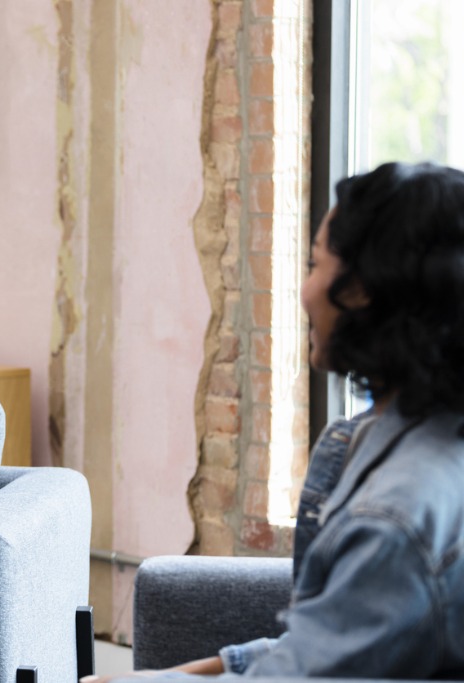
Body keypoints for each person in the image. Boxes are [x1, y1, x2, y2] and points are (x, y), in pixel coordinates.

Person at [85, 161, 464, 679]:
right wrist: (177, 676)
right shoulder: (390, 436)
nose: (304, 291)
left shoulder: (394, 518)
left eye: (314, 265)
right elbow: (324, 645)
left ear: (361, 290)